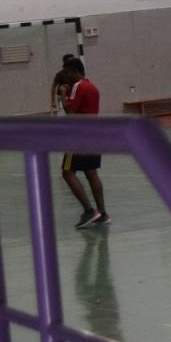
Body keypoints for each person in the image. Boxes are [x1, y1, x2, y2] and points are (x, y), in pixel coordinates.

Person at [59, 58, 109, 229]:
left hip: (78, 137)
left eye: (67, 72)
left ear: (75, 71)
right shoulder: (92, 87)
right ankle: (102, 213)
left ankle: (89, 211)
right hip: (94, 135)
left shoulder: (77, 87)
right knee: (91, 172)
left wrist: (63, 94)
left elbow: (71, 112)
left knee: (67, 172)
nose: (66, 76)